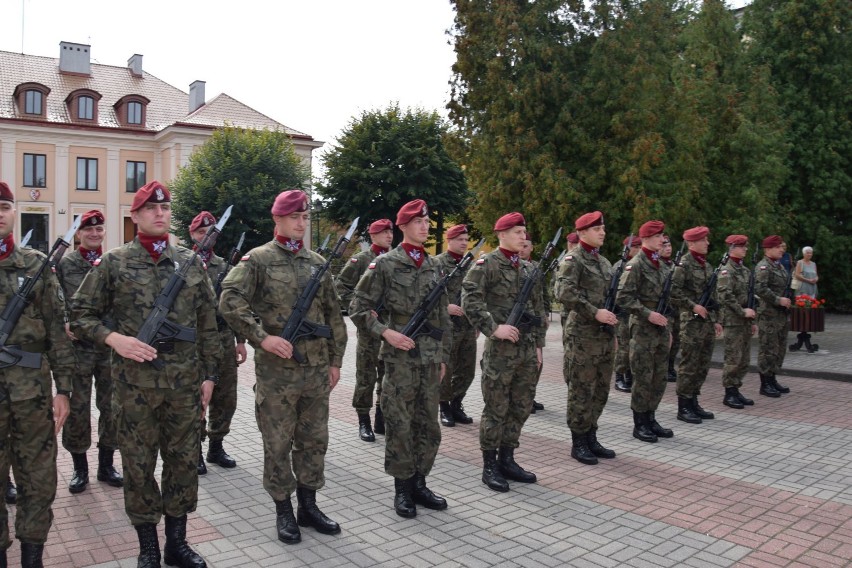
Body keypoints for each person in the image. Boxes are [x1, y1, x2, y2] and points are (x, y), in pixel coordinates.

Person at [70, 180, 222, 568]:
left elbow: (209, 324)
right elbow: (80, 315)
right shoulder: (115, 262)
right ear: (135, 216)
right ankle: (147, 547)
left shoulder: (190, 262)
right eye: (151, 209)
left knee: (183, 462)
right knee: (138, 467)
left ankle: (177, 543)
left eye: (166, 208)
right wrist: (114, 339)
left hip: (185, 387)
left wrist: (210, 376)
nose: (160, 213)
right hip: (134, 388)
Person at [219, 189, 347, 543]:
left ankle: (309, 506)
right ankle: (283, 510)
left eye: (305, 217)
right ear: (277, 219)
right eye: (295, 217)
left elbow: (334, 315)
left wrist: (336, 360)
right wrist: (262, 338)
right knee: (277, 443)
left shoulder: (317, 261)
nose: (301, 223)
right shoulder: (257, 260)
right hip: (277, 375)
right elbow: (230, 300)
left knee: (314, 440)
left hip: (316, 371)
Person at [349, 199, 449, 518]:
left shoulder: (435, 266)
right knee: (400, 425)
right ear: (403, 227)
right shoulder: (386, 265)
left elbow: (443, 317)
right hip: (399, 360)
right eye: (418, 221)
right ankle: (402, 490)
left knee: (427, 426)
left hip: (429, 359)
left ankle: (420, 483)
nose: (425, 226)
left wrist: (443, 355)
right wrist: (385, 332)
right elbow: (358, 307)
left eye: (427, 220)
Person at [0, 181, 75, 567]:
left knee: (38, 478)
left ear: (14, 212)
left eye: (4, 205)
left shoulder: (36, 266)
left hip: (31, 393)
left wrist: (63, 389)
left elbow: (58, 332)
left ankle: (33, 556)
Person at [462, 213, 546, 492]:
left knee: (520, 406)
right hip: (501, 352)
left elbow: (538, 311)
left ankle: (508, 459)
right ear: (502, 235)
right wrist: (492, 328)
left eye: (524, 231)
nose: (523, 236)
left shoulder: (527, 268)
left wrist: (538, 347)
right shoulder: (486, 264)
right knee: (496, 409)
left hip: (525, 350)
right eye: (518, 231)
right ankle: (490, 465)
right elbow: (470, 300)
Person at [57, 209, 123, 494]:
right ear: (79, 234)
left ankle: (106, 465)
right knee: (79, 410)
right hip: (78, 349)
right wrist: (63, 321)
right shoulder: (65, 264)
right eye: (89, 230)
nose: (95, 234)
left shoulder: (112, 262)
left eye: (99, 230)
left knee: (111, 407)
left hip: (109, 348)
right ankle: (79, 469)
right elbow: (54, 296)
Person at [188, 211, 247, 474]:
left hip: (223, 338)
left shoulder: (225, 266)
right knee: (195, 395)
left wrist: (240, 341)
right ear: (193, 234)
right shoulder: (182, 264)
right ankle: (196, 450)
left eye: (211, 233)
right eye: (201, 232)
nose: (206, 237)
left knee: (225, 396)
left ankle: (216, 445)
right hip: (194, 341)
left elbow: (234, 306)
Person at [557, 211, 618, 465]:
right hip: (582, 335)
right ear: (582, 233)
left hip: (603, 336)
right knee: (581, 390)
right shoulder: (574, 259)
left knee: (601, 389)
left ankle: (592, 435)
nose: (602, 232)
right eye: (596, 229)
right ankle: (578, 441)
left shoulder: (603, 262)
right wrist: (595, 313)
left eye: (603, 228)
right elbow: (563, 292)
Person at [335, 219, 393, 441]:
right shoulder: (361, 260)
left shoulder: (395, 259)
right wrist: (362, 311)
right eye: (383, 232)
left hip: (391, 327)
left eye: (390, 231)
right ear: (372, 236)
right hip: (369, 329)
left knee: (387, 375)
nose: (389, 235)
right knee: (366, 376)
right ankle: (363, 421)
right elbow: (342, 287)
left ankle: (381, 416)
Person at [617, 220, 673, 443]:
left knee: (659, 378)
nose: (663, 240)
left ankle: (651, 418)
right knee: (643, 377)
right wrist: (648, 313)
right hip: (642, 329)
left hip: (660, 330)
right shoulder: (636, 264)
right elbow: (623, 297)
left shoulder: (662, 265)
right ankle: (640, 423)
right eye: (659, 236)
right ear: (648, 239)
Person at [671, 226, 723, 424]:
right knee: (689, 364)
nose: (708, 243)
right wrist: (693, 306)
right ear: (692, 243)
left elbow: (714, 296)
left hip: (707, 322)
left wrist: (717, 319)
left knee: (702, 364)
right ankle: (683, 406)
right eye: (704, 240)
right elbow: (673, 293)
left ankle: (694, 400)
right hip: (691, 322)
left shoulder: (707, 266)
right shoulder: (683, 265)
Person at [436, 224, 477, 428]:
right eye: (459, 239)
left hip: (468, 326)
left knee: (467, 369)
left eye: (465, 239)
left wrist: (478, 322)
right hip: (447, 327)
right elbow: (428, 294)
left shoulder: (471, 264)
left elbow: (478, 294)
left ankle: (456, 403)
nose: (464, 243)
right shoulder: (438, 263)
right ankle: (443, 407)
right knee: (447, 369)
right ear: (449, 240)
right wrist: (446, 306)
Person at [716, 235, 757, 409]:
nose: (745, 249)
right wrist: (742, 312)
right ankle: (729, 393)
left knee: (744, 359)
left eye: (745, 246)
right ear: (732, 248)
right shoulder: (726, 270)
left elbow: (749, 297)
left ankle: (736, 388)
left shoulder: (745, 270)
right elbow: (725, 295)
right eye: (741, 246)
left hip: (746, 320)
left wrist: (753, 318)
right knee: (733, 358)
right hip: (733, 320)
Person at [754, 235, 792, 397]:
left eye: (782, 247)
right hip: (768, 314)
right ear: (768, 249)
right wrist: (778, 300)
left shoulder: (779, 266)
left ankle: (773, 378)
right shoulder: (764, 267)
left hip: (780, 314)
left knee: (779, 347)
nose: (781, 250)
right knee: (768, 348)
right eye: (778, 247)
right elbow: (760, 289)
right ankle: (765, 383)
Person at [518, 232, 547, 414]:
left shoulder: (536, 268)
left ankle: (530, 396)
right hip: (517, 324)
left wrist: (543, 320)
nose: (522, 249)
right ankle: (522, 399)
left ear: (532, 248)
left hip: (534, 323)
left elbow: (540, 298)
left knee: (537, 362)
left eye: (526, 246)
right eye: (521, 245)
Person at [613, 235, 641, 392]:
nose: (638, 250)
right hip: (622, 314)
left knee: (632, 347)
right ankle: (619, 377)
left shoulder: (638, 265)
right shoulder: (620, 266)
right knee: (623, 348)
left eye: (639, 246)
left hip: (634, 313)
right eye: (635, 247)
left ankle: (630, 376)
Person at [660, 235, 680, 383]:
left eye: (669, 246)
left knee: (676, 340)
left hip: (676, 310)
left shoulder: (674, 265)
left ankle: (670, 366)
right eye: (664, 246)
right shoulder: (658, 265)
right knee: (667, 341)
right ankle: (663, 367)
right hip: (664, 311)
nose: (668, 249)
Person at [558, 232, 581, 329]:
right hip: (567, 309)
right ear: (571, 244)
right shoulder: (565, 262)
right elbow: (556, 286)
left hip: (581, 309)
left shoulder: (580, 260)